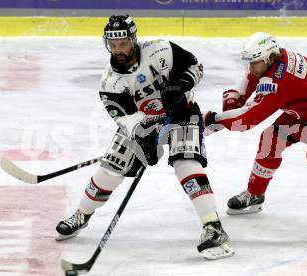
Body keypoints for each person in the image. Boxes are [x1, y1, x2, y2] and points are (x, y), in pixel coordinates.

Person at [55, 14, 234, 260]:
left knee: (186, 163)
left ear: (133, 39)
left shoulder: (162, 49)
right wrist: (146, 140)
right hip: (144, 124)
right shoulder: (110, 83)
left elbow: (196, 67)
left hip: (183, 112)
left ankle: (213, 226)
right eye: (113, 44)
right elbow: (128, 122)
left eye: (123, 43)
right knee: (110, 168)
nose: (118, 49)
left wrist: (180, 86)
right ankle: (82, 214)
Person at [204, 32, 307, 241]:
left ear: (270, 58)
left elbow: (246, 121)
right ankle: (255, 195)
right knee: (271, 138)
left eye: (255, 62)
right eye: (250, 62)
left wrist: (214, 119)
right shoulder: (273, 60)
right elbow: (249, 80)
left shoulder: (279, 80)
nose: (251, 67)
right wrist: (232, 101)